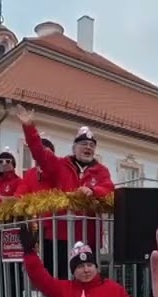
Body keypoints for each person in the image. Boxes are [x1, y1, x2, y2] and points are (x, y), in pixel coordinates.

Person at [16, 104, 114, 279]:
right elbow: (40, 153)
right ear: (74, 148)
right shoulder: (60, 165)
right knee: (58, 279)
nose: (88, 147)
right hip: (58, 236)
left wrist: (93, 191)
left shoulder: (101, 171)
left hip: (88, 237)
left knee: (86, 280)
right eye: (83, 144)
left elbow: (108, 188)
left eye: (91, 145)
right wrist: (29, 127)